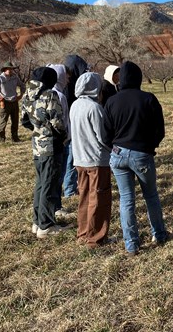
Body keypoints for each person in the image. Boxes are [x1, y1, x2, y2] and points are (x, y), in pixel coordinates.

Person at [104, 61, 168, 255]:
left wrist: (115, 148)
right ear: (139, 78)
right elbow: (160, 130)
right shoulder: (148, 99)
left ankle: (131, 244)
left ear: (121, 79)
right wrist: (149, 147)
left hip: (118, 155)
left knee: (126, 200)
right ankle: (159, 234)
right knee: (151, 196)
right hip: (142, 154)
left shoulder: (112, 101)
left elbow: (105, 134)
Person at [21, 66, 68, 238]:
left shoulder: (28, 94)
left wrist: (38, 130)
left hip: (37, 144)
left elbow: (24, 120)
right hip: (52, 145)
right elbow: (58, 122)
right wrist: (62, 136)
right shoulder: (50, 94)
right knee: (49, 183)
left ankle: (37, 221)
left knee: (41, 183)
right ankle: (46, 225)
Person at [70, 72, 112, 249]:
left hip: (79, 159)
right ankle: (95, 238)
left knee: (84, 197)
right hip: (96, 159)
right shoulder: (94, 108)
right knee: (99, 198)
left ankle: (83, 232)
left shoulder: (75, 105)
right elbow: (102, 136)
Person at [46, 63, 73, 219]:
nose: (68, 80)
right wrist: (65, 138)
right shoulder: (59, 96)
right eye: (66, 76)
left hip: (48, 142)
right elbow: (61, 121)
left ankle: (53, 205)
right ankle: (56, 206)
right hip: (60, 142)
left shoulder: (47, 93)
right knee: (58, 176)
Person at [61, 54, 90, 197]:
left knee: (73, 157)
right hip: (71, 126)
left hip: (74, 124)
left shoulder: (69, 82)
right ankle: (69, 189)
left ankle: (73, 185)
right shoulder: (67, 86)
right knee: (71, 158)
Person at [0, 61, 25, 142]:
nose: (10, 70)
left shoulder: (15, 78)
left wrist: (21, 95)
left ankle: (15, 138)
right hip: (4, 102)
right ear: (4, 70)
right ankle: (1, 138)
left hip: (14, 102)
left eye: (11, 69)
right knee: (3, 121)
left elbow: (22, 85)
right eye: (8, 69)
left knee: (15, 121)